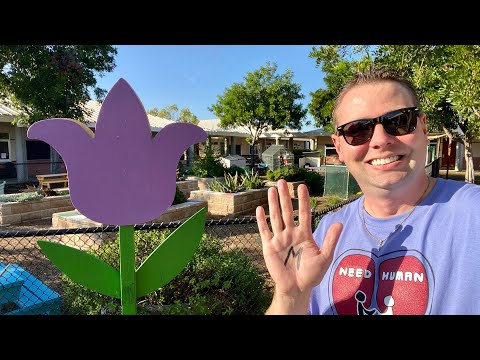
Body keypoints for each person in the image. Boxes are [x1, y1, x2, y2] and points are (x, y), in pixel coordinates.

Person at [256, 67, 480, 315]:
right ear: (338, 147)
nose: (380, 140)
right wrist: (289, 296)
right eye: (358, 130)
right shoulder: (326, 234)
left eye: (399, 121)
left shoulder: (473, 215)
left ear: (423, 129)